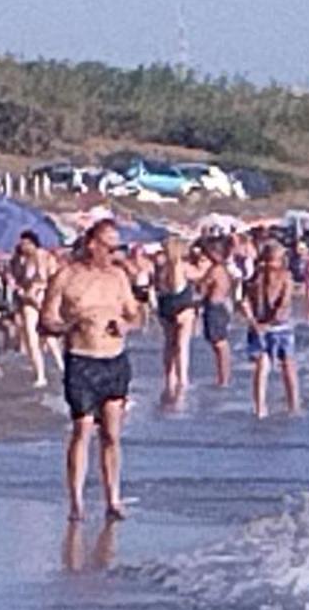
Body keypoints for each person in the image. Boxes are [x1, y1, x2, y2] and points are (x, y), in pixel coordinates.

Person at [40, 220, 141, 521]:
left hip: (114, 359)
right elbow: (46, 321)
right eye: (109, 247)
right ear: (92, 244)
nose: (114, 253)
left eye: (117, 247)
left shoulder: (118, 277)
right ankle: (77, 502)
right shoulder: (66, 276)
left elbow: (135, 315)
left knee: (112, 433)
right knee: (82, 428)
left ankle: (113, 498)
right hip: (82, 359)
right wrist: (71, 325)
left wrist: (126, 324)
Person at [243, 238, 301, 418]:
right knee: (282, 366)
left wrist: (255, 322)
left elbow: (244, 302)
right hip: (275, 327)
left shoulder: (261, 277)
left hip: (269, 326)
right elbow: (282, 306)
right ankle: (288, 406)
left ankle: (265, 407)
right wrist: (256, 322)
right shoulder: (278, 277)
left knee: (271, 366)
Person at [154, 235, 200, 403]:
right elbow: (200, 275)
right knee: (182, 345)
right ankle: (183, 380)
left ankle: (169, 379)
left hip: (166, 307)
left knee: (169, 344)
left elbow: (158, 288)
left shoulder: (161, 267)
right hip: (183, 307)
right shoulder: (184, 267)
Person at [11, 230, 57, 388]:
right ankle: (43, 372)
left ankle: (47, 371)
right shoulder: (24, 259)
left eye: (25, 243)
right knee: (35, 335)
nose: (22, 246)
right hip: (28, 298)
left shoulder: (42, 256)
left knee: (40, 335)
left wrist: (34, 288)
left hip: (40, 296)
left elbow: (48, 277)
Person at [200, 237, 236, 387]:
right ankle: (223, 376)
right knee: (220, 344)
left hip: (215, 307)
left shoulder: (215, 270)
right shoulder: (224, 269)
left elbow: (202, 288)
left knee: (219, 344)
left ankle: (223, 378)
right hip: (222, 305)